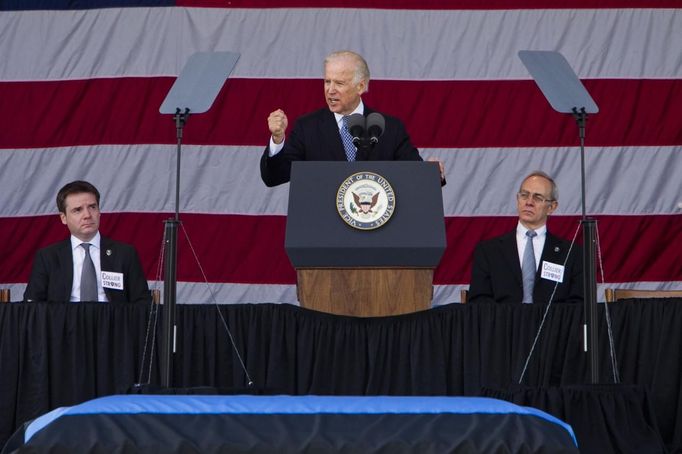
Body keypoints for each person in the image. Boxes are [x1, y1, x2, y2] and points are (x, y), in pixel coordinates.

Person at [260, 50, 444, 187]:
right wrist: (277, 139)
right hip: (324, 233)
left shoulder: (390, 128)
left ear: (360, 86)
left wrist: (432, 173)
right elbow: (274, 177)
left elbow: (416, 178)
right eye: (327, 81)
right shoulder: (307, 127)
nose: (330, 90)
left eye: (339, 83)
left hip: (375, 232)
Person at [23, 180, 151, 304]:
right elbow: (32, 305)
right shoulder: (47, 257)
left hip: (112, 324)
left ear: (99, 212)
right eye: (78, 210)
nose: (87, 215)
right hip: (65, 324)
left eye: (92, 207)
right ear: (63, 218)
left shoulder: (125, 254)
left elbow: (142, 303)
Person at [468, 171, 583, 304]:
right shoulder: (488, 251)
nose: (529, 202)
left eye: (538, 197)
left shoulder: (572, 254)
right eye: (524, 195)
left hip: (553, 324)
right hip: (502, 323)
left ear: (552, 207)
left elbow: (578, 305)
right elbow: (479, 302)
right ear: (518, 199)